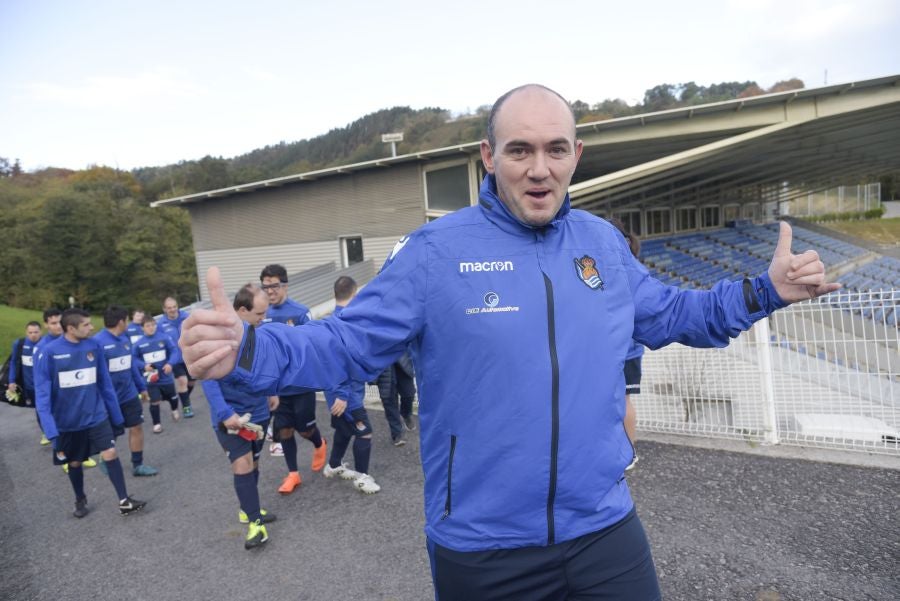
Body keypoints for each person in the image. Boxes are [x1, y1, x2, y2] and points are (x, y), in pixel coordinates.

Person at [180, 84, 840, 600]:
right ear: (488, 158)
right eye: (519, 150)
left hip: (602, 526)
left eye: (556, 149)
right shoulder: (436, 253)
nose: (539, 167)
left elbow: (677, 314)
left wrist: (766, 290)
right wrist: (250, 347)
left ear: (575, 156)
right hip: (484, 545)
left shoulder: (603, 246)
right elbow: (345, 346)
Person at [35, 308, 146, 518]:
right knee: (75, 462)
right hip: (68, 422)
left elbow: (105, 384)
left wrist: (116, 418)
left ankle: (124, 500)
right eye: (86, 325)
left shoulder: (94, 346)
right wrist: (50, 431)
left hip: (97, 415)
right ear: (70, 328)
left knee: (111, 452)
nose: (92, 327)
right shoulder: (50, 352)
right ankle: (80, 498)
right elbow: (42, 396)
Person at [201, 284, 277, 549]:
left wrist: (272, 390)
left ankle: (248, 508)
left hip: (259, 412)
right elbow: (208, 380)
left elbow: (264, 367)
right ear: (241, 311)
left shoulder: (257, 332)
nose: (263, 318)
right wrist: (225, 414)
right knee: (242, 463)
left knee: (254, 463)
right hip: (231, 417)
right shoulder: (218, 338)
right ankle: (256, 525)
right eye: (259, 313)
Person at [259, 264, 327, 494]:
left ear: (285, 285)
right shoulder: (261, 315)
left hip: (301, 384)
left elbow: (312, 345)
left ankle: (319, 443)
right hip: (277, 388)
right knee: (284, 430)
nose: (270, 291)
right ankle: (293, 474)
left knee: (305, 430)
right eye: (265, 286)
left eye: (274, 286)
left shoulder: (299, 312)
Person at [321, 276, 380, 494]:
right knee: (365, 433)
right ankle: (363, 478)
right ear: (355, 295)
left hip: (336, 393)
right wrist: (342, 395)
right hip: (346, 396)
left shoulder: (331, 321)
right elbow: (337, 364)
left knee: (344, 430)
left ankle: (333, 465)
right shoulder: (345, 324)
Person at [94, 306, 158, 476]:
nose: (129, 323)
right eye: (127, 320)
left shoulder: (125, 339)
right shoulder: (97, 342)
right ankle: (105, 458)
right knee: (111, 433)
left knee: (136, 427)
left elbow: (130, 367)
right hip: (109, 398)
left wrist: (142, 388)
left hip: (129, 394)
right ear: (121, 321)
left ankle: (138, 465)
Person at [32, 309, 98, 467]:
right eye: (53, 323)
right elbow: (40, 380)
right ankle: (64, 456)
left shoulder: (75, 341)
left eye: (58, 322)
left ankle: (81, 454)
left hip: (74, 393)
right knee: (61, 426)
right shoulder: (43, 347)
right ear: (46, 325)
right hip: (56, 396)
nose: (57, 326)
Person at [608, 216, 643, 468]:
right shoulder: (630, 265)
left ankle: (629, 452)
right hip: (620, 349)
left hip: (626, 349)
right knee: (616, 400)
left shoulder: (624, 268)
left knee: (623, 401)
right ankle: (621, 450)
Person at [133, 315, 181, 433]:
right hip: (151, 378)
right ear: (142, 328)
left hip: (166, 376)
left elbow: (175, 351)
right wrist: (143, 366)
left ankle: (174, 409)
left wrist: (170, 364)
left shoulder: (164, 338)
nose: (151, 328)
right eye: (148, 326)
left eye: (153, 325)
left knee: (173, 398)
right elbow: (133, 359)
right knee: (154, 401)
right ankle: (157, 424)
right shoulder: (138, 344)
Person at [157, 298, 194, 418]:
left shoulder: (187, 317)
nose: (172, 309)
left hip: (189, 356)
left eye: (174, 306)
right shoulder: (161, 324)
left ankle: (184, 397)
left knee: (191, 382)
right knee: (182, 381)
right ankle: (187, 407)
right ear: (164, 309)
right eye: (169, 308)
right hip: (175, 358)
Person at [374, 352, 417, 447]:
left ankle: (406, 414)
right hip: (383, 361)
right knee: (389, 400)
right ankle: (397, 434)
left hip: (401, 357)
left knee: (409, 394)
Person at [6, 321, 42, 412]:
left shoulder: (47, 344)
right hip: (27, 387)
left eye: (36, 332)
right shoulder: (19, 344)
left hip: (43, 387)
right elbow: (13, 362)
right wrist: (11, 381)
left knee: (44, 410)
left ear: (40, 332)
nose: (33, 335)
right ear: (26, 333)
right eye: (30, 332)